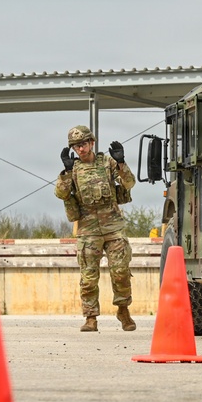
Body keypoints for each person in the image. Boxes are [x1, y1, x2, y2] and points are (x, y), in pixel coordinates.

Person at [54, 125, 137, 332]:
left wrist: (121, 163)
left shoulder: (107, 163)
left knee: (121, 271)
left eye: (83, 144)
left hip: (113, 226)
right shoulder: (73, 169)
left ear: (92, 142)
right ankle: (90, 317)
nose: (80, 149)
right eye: (75, 147)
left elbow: (129, 183)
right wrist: (66, 172)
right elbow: (61, 194)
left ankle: (123, 310)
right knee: (89, 276)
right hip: (88, 229)